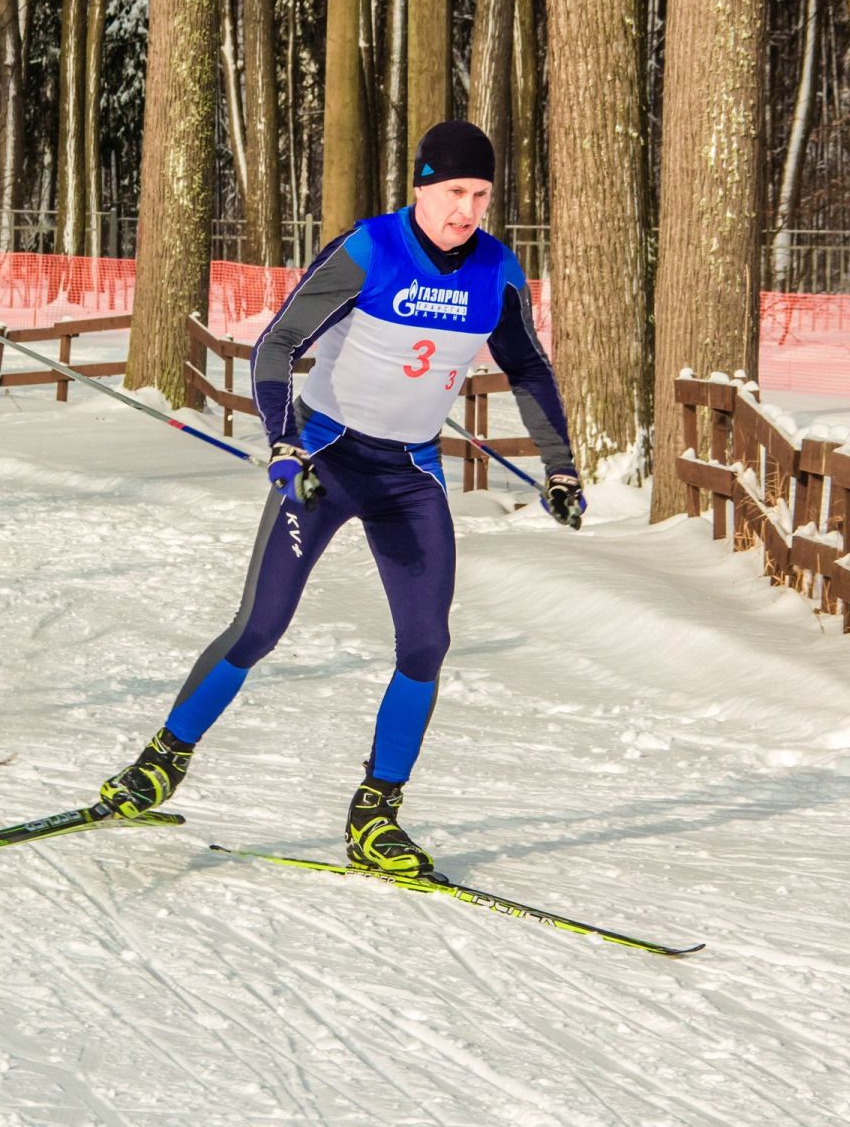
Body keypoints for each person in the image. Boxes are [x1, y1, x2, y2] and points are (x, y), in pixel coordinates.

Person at [95, 120, 586, 875]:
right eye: (456, 191)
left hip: (409, 475)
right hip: (326, 459)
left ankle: (375, 816)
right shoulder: (371, 249)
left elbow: (529, 370)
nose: (468, 209)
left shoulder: (496, 270)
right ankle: (160, 760)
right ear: (421, 188)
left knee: (426, 647)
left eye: (481, 194)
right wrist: (284, 439)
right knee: (260, 627)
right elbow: (277, 344)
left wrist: (560, 466)